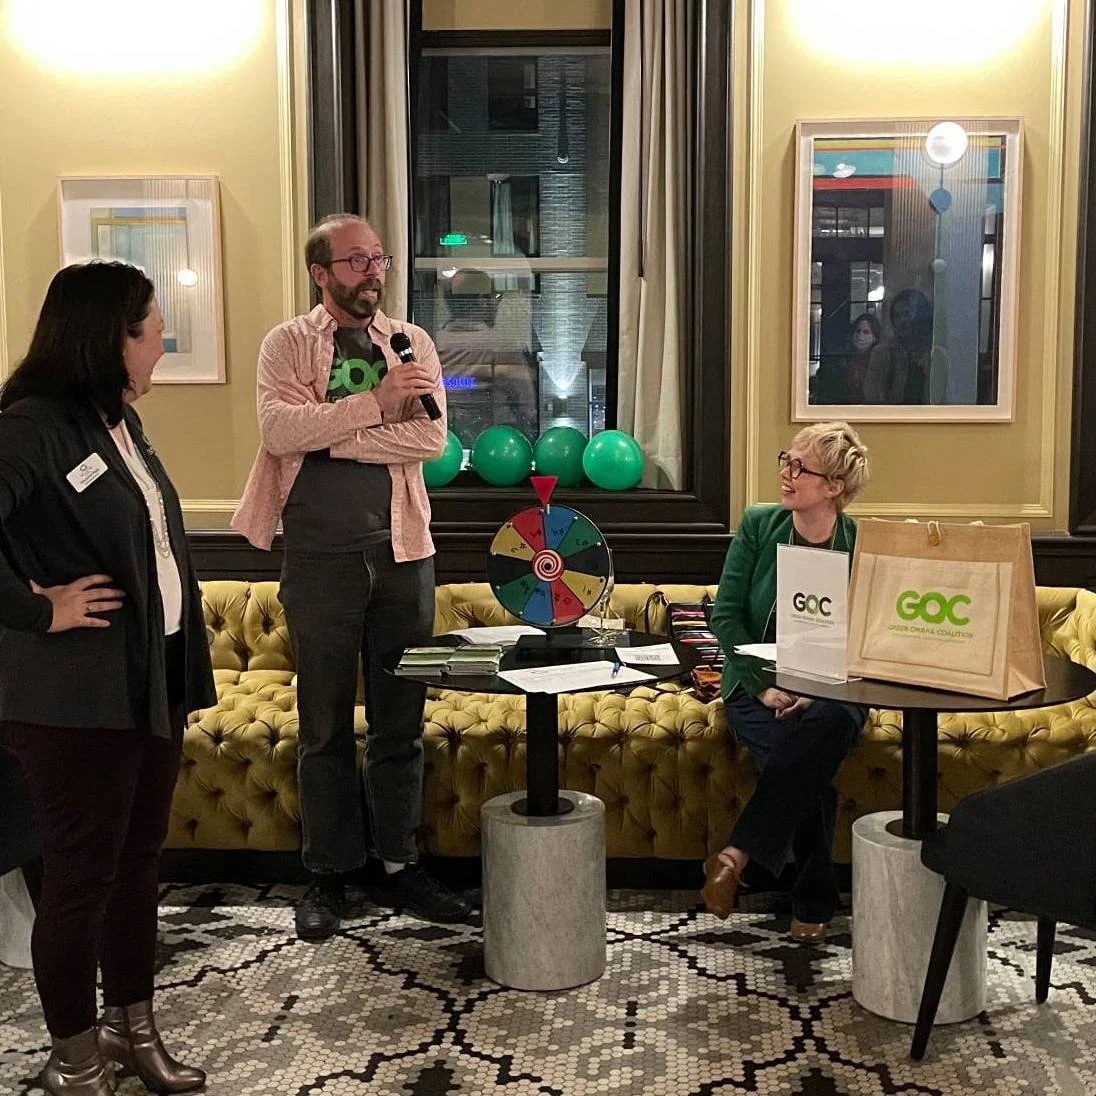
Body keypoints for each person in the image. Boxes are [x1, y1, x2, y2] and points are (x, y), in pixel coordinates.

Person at [0, 262, 216, 1095]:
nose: (164, 336)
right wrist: (34, 608)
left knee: (136, 866)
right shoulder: (33, 425)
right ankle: (74, 1059)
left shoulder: (113, 421)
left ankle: (133, 1030)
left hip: (145, 683)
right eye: (152, 323)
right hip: (71, 701)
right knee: (80, 878)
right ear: (110, 337)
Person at [233, 214, 473, 941]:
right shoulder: (286, 344)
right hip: (318, 559)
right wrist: (373, 407)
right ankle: (330, 875)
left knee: (401, 720)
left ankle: (400, 865)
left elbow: (430, 436)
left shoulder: (412, 343)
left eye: (380, 259)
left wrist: (333, 437)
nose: (374, 272)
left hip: (404, 556)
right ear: (321, 272)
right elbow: (279, 433)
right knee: (324, 725)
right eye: (357, 260)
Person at [706, 422, 870, 942]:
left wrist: (817, 688)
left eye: (800, 467)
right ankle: (814, 899)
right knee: (805, 766)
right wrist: (763, 687)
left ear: (834, 487)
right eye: (786, 459)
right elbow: (726, 617)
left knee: (825, 724)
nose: (786, 473)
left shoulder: (861, 542)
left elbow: (868, 634)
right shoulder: (759, 525)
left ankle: (737, 855)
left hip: (834, 691)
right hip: (758, 687)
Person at [435, 268, 539, 443]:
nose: (495, 305)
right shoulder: (502, 346)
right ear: (483, 301)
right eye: (494, 299)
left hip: (444, 444)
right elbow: (527, 406)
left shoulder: (432, 345)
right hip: (496, 446)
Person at [863, 289, 936, 404]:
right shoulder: (883, 353)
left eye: (907, 314)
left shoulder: (935, 353)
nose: (902, 320)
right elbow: (871, 397)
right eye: (897, 315)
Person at [812, 312, 880, 405]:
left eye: (866, 332)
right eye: (857, 331)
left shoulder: (879, 362)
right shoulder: (840, 360)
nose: (860, 336)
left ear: (875, 337)